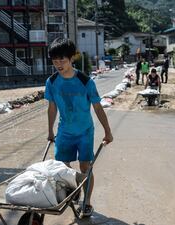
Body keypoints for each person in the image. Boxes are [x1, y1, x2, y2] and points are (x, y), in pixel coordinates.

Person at [44, 38, 113, 217]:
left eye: (62, 60)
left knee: (85, 167)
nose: (58, 64)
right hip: (64, 131)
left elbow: (98, 107)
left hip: (84, 132)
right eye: (55, 60)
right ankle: (74, 190)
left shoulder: (85, 81)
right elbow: (52, 107)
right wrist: (50, 130)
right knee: (62, 168)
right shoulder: (51, 82)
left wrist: (107, 131)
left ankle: (87, 202)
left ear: (72, 58)